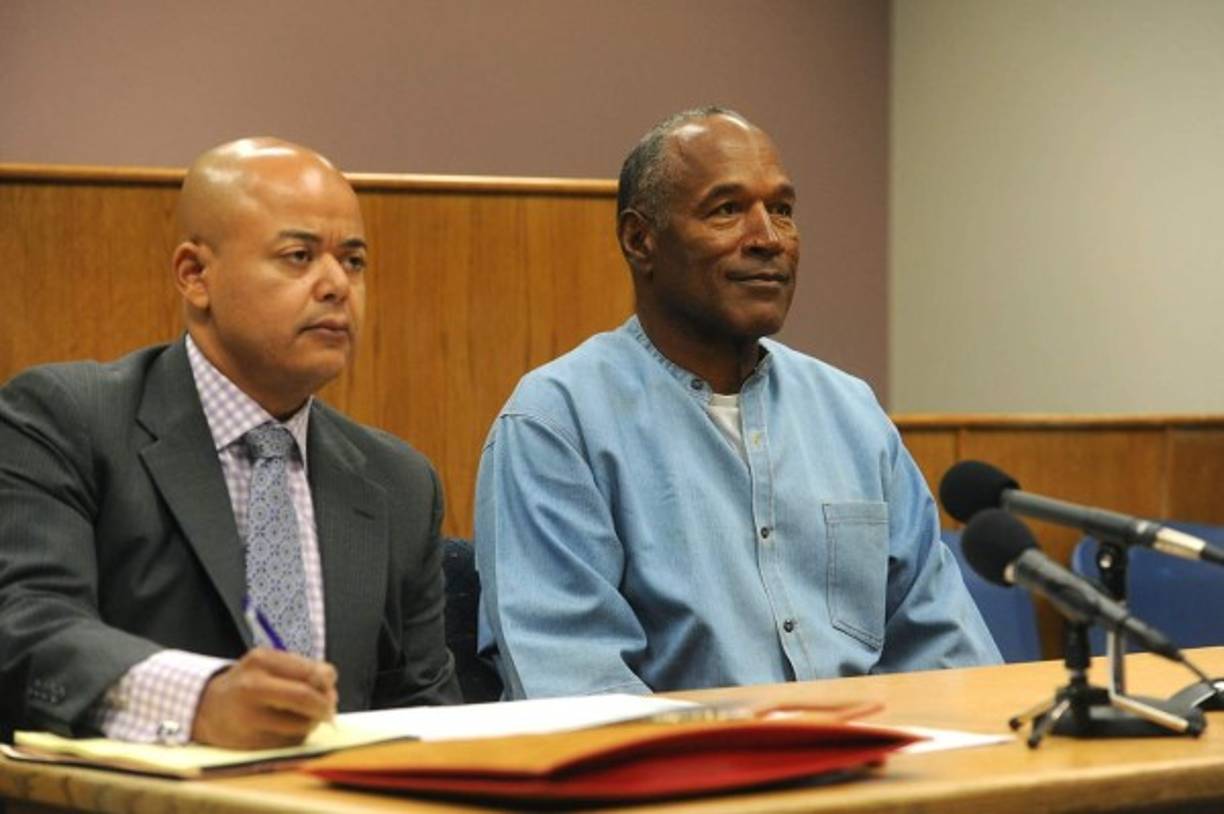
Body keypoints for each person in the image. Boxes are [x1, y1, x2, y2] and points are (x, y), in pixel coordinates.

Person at [475, 107, 1001, 699]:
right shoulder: (555, 422)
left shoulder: (851, 414)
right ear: (640, 239)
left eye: (782, 210)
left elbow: (946, 649)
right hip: (682, 759)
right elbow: (575, 684)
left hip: (871, 753)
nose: (769, 239)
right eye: (727, 210)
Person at [0, 138, 459, 749]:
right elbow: (28, 624)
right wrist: (201, 702)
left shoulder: (398, 480)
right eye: (299, 256)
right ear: (195, 275)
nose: (336, 285)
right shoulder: (67, 419)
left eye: (353, 261)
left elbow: (425, 713)